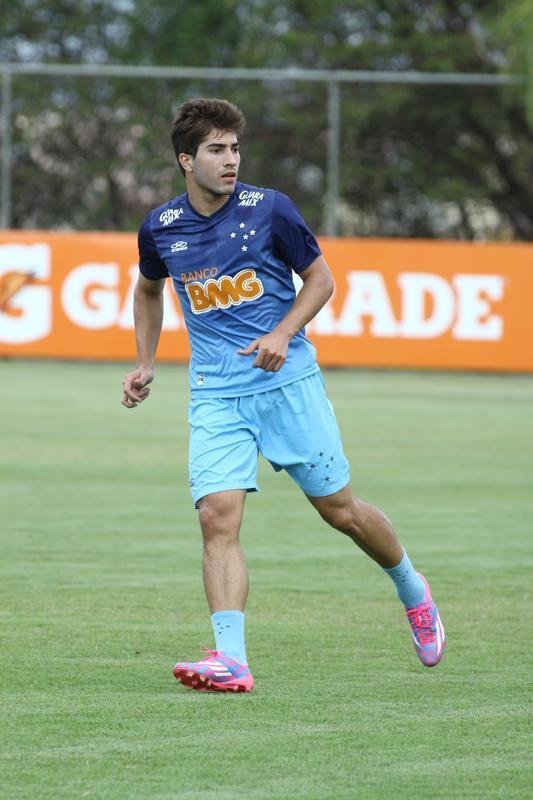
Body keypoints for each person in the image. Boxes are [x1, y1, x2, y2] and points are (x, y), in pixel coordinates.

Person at [122, 98, 445, 693]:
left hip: (288, 386)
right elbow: (146, 289)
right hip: (217, 395)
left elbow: (321, 278)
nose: (230, 161)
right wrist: (145, 361)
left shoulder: (271, 211)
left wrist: (282, 331)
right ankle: (232, 659)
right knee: (217, 517)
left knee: (340, 512)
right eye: (216, 150)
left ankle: (411, 588)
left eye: (235, 148)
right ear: (185, 161)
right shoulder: (162, 227)